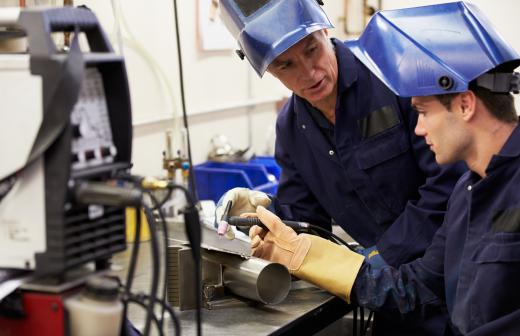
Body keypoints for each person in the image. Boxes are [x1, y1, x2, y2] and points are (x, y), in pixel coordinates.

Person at [247, 2, 520, 335]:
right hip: (404, 295)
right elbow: (414, 287)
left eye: (423, 112)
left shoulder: (390, 78)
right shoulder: (468, 198)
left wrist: (375, 258)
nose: (309, 73)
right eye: (286, 65)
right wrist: (271, 222)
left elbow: (441, 188)